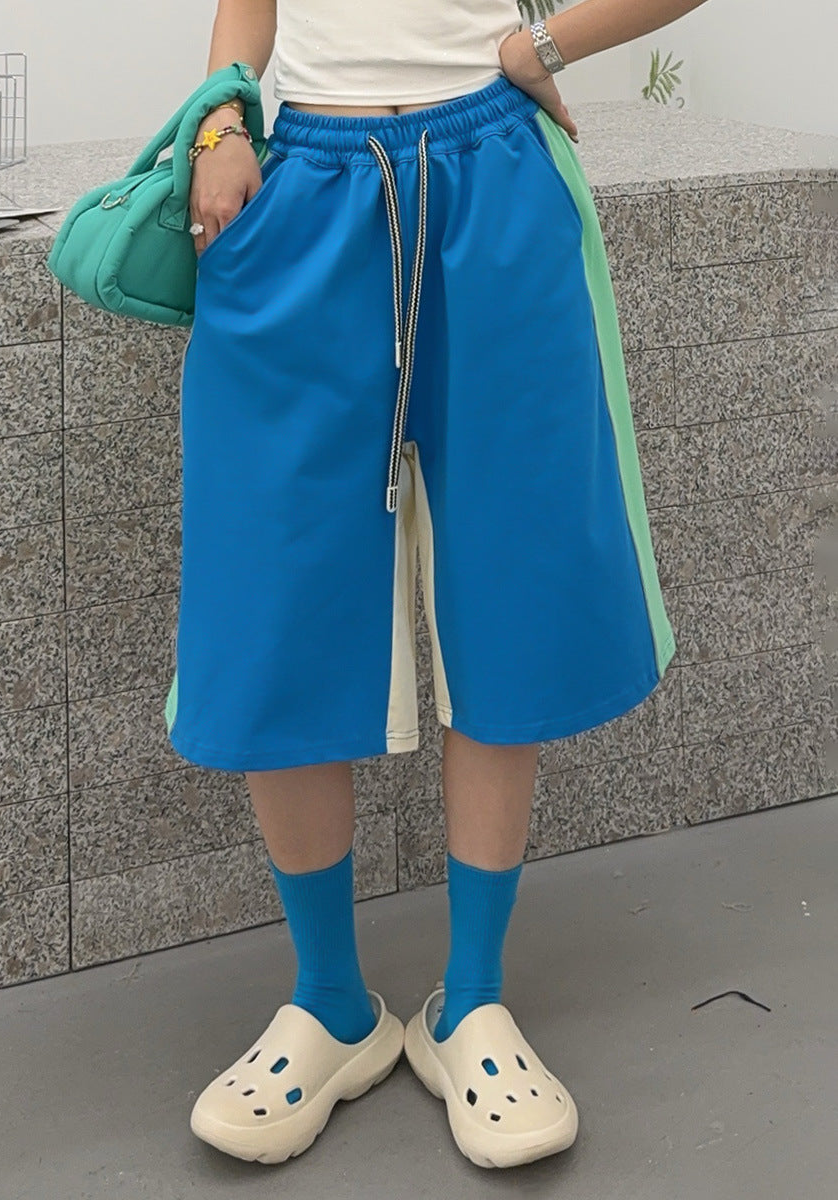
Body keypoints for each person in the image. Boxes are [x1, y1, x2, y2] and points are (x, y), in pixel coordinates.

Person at [169, 0, 702, 1171]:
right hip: (297, 189)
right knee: (276, 598)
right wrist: (219, 123)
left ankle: (471, 999)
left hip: (493, 176)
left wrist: (536, 48)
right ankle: (330, 1003)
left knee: (506, 587)